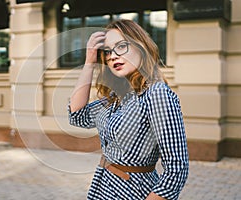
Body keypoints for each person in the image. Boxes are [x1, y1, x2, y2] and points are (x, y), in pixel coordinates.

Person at [68, 19, 189, 200]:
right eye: (107, 51)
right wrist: (89, 62)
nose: (113, 56)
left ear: (140, 46)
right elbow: (77, 116)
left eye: (121, 46)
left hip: (134, 191)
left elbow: (176, 170)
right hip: (103, 187)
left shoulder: (156, 94)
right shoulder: (116, 97)